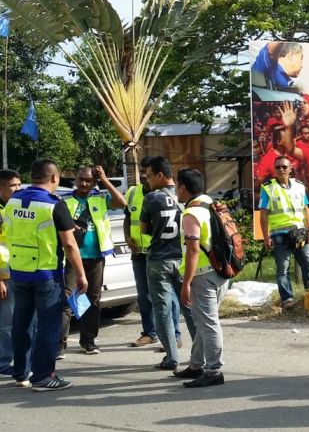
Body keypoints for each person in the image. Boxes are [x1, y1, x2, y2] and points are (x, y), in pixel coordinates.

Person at [6, 159, 88, 391]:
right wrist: (81, 274)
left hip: (18, 272)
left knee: (21, 324)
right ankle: (43, 376)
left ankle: (20, 373)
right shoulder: (54, 204)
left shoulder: (13, 200)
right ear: (54, 178)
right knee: (49, 325)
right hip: (46, 275)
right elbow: (70, 244)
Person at [60, 165, 126, 356]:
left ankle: (88, 341)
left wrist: (105, 180)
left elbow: (121, 203)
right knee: (66, 300)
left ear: (94, 182)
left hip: (96, 257)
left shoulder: (100, 198)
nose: (83, 183)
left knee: (93, 300)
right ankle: (59, 344)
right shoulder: (64, 201)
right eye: (80, 179)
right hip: (71, 258)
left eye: (88, 180)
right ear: (75, 179)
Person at [174, 169, 229, 387]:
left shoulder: (191, 213)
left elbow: (193, 250)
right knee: (203, 321)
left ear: (183, 188)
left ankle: (214, 371)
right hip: (221, 271)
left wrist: (186, 283)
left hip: (203, 275)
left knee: (208, 324)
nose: (176, 190)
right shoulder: (210, 203)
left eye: (177, 186)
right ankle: (196, 365)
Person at [125, 158, 181, 349]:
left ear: (158, 175)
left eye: (147, 173)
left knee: (169, 297)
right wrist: (128, 238)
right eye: (142, 172)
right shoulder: (133, 192)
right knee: (144, 296)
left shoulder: (166, 196)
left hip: (161, 254)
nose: (143, 176)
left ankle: (174, 336)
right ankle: (150, 333)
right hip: (139, 253)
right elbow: (127, 217)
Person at [140, 156, 185, 371]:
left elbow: (143, 229)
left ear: (160, 175)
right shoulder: (185, 195)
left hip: (159, 259)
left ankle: (171, 357)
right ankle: (200, 355)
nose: (147, 180)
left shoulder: (152, 198)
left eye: (149, 176)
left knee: (163, 309)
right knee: (189, 307)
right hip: (183, 258)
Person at [259, 156, 309, 309]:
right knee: (283, 269)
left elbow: (305, 209)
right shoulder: (267, 188)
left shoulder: (299, 186)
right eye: (277, 167)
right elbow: (263, 214)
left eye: (284, 167)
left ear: (291, 168)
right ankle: (287, 300)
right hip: (279, 234)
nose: (281, 170)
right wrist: (266, 236)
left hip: (299, 232)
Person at [0, 169, 31, 377]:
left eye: (20, 185)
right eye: (13, 185)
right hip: (4, 274)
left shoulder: (16, 208)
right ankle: (3, 362)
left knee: (17, 320)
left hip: (19, 270)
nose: (18, 189)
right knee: (6, 322)